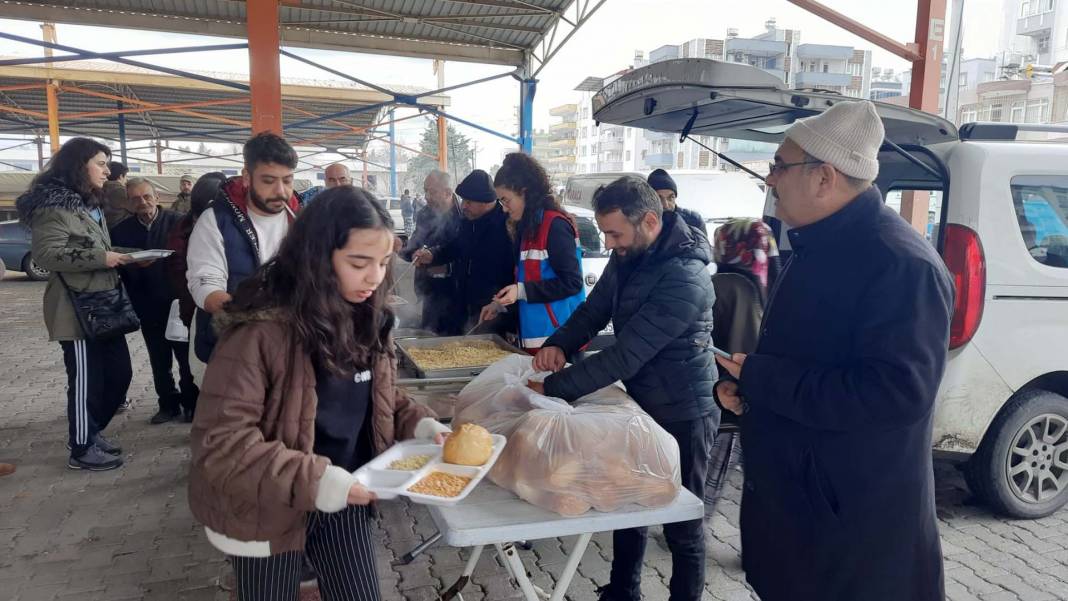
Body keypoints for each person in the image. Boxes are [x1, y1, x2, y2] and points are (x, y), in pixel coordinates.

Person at [714, 101, 953, 601]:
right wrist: (749, 388)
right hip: (802, 520)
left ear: (824, 177)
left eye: (780, 166)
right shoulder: (815, 246)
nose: (770, 179)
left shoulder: (900, 265)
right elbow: (810, 361)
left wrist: (766, 378)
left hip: (851, 535)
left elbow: (893, 394)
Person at [188, 186, 450, 601]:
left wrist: (420, 424)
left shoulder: (367, 318)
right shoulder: (260, 331)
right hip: (267, 503)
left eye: (383, 263)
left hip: (346, 493)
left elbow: (375, 396)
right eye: (358, 263)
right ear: (317, 257)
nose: (375, 277)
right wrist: (318, 479)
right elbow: (222, 443)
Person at [528, 176, 718, 601]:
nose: (609, 244)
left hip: (685, 411)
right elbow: (594, 310)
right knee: (628, 505)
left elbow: (626, 355)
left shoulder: (686, 275)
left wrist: (554, 388)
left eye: (615, 233)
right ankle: (622, 592)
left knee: (683, 528)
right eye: (605, 234)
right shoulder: (630, 255)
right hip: (642, 405)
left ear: (650, 220)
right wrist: (559, 342)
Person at [16, 137, 133, 471]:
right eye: (101, 163)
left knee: (119, 374)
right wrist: (102, 257)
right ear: (79, 165)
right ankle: (81, 447)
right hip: (75, 308)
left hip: (103, 303)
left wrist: (128, 256)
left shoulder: (88, 204)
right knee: (86, 380)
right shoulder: (55, 207)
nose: (107, 171)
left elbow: (97, 249)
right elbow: (47, 254)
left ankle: (92, 430)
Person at [186, 132, 300, 363]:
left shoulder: (300, 219)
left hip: (288, 347)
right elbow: (206, 286)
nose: (281, 191)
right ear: (247, 177)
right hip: (229, 348)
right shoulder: (216, 220)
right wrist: (259, 320)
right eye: (269, 181)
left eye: (287, 180)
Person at [702, 218, 778, 511]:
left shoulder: (724, 284)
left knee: (712, 476)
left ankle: (690, 530)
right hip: (759, 398)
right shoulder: (769, 284)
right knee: (762, 482)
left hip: (728, 396)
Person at [111, 177, 197, 424]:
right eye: (136, 199)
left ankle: (191, 403)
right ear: (129, 203)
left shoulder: (179, 223)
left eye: (147, 196)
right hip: (146, 303)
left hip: (179, 303)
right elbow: (120, 270)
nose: (143, 202)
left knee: (185, 357)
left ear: (157, 197)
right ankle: (167, 404)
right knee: (159, 358)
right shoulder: (121, 231)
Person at [484, 152, 584, 351]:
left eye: (506, 200)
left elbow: (572, 283)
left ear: (524, 192)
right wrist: (502, 304)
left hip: (559, 343)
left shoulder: (554, 226)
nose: (504, 209)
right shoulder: (528, 228)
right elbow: (529, 282)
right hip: (535, 342)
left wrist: (520, 291)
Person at [412, 170, 513, 333]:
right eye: (463, 200)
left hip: (491, 310)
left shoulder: (507, 225)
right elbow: (455, 247)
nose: (463, 205)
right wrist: (433, 255)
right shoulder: (467, 220)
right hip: (461, 304)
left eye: (469, 201)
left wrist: (502, 306)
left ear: (486, 202)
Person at [167, 173, 227, 389]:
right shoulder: (187, 228)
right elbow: (178, 269)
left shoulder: (223, 224)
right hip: (195, 306)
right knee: (192, 361)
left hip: (209, 307)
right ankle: (191, 402)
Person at [398, 170, 462, 334]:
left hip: (457, 293)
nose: (426, 196)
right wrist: (410, 252)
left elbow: (465, 252)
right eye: (425, 190)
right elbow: (414, 244)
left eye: (432, 191)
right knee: (428, 336)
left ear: (448, 192)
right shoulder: (424, 214)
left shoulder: (464, 215)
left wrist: (446, 267)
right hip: (429, 291)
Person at [647, 169, 706, 236]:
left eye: (670, 198)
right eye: (659, 199)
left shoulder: (693, 220)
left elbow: (703, 245)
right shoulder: (642, 223)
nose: (666, 205)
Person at [102, 160, 130, 228]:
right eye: (126, 176)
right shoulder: (120, 190)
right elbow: (136, 207)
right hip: (119, 228)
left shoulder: (102, 188)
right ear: (120, 176)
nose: (127, 179)